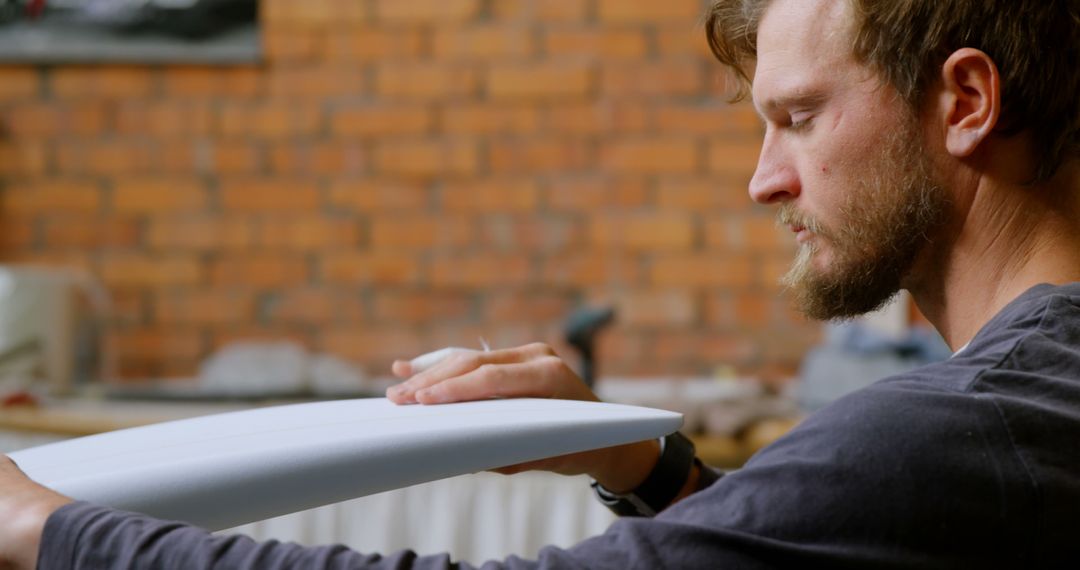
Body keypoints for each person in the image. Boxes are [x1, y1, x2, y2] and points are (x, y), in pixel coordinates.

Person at [3, 0, 1079, 567]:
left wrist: (45, 530)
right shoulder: (1021, 422)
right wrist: (644, 466)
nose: (765, 180)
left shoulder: (970, 432)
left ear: (966, 101)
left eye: (797, 117)